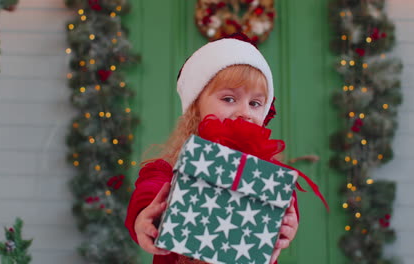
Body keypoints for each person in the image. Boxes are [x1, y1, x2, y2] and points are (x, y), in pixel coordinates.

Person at [125, 34, 299, 264]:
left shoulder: (266, 173)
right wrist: (145, 217)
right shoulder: (168, 168)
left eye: (255, 103)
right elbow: (149, 192)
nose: (245, 112)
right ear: (196, 107)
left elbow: (287, 206)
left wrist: (287, 225)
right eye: (229, 99)